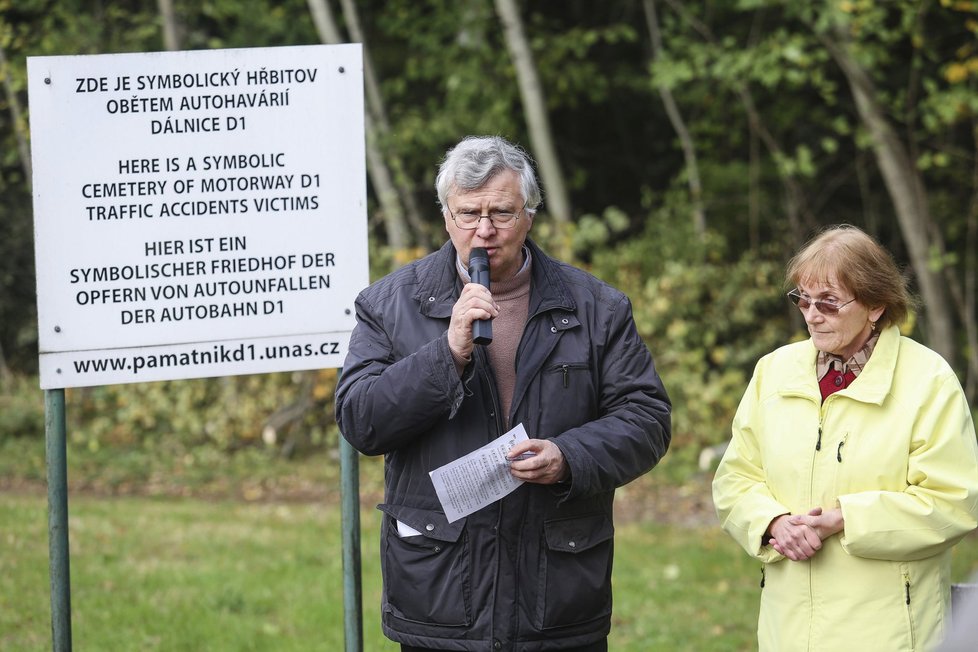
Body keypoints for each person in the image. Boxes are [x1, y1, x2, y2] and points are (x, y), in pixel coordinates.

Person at [335, 135, 671, 651]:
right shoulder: (388, 304)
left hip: (555, 598)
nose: (484, 231)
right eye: (468, 213)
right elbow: (361, 421)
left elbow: (646, 419)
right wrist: (446, 353)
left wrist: (569, 456)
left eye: (502, 213)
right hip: (441, 596)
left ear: (530, 215)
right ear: (446, 216)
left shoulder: (596, 307)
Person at [712, 225, 978, 651]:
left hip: (888, 632)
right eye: (802, 298)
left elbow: (953, 503)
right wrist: (772, 522)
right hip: (788, 631)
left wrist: (845, 519)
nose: (812, 314)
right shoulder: (773, 371)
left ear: (874, 305)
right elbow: (735, 479)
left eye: (829, 302)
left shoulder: (929, 380)